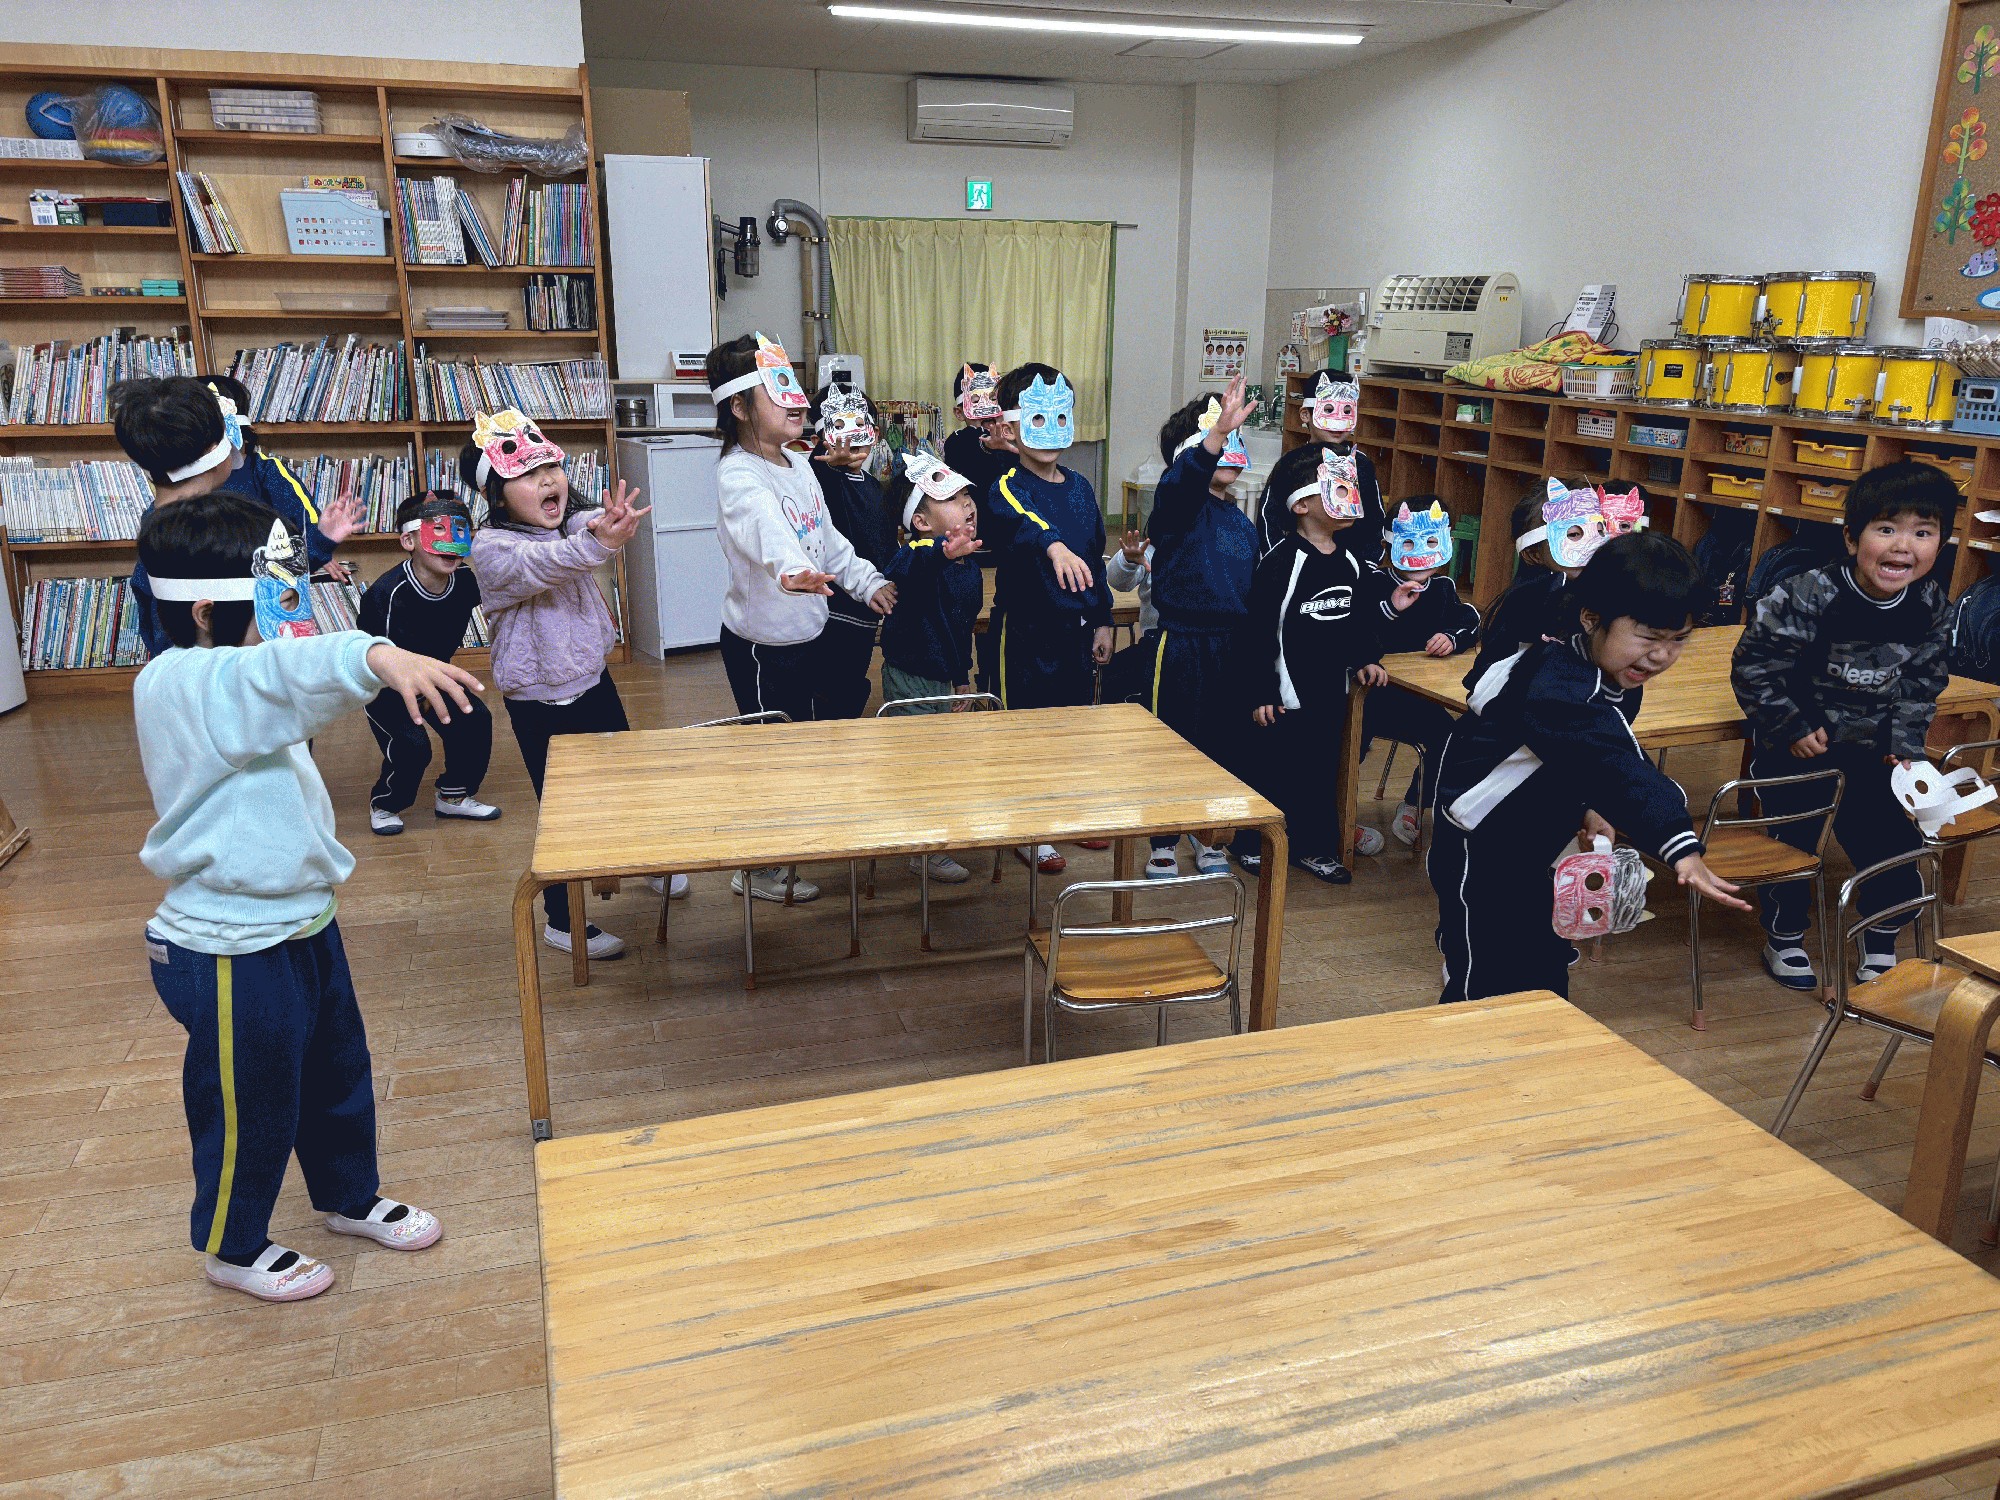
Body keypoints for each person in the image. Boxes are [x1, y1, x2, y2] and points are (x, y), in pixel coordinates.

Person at [134, 491, 470, 1301]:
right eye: (277, 597)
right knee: (248, 1101)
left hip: (302, 917)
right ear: (208, 612)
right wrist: (377, 654)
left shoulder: (233, 678)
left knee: (336, 1071)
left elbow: (284, 674)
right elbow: (282, 672)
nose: (291, 617)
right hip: (226, 943)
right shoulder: (183, 680)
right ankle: (233, 1244)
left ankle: (349, 1195)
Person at [1430, 532, 1748, 1004]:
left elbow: (1578, 756)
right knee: (1487, 986)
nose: (1662, 655)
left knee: (1544, 973)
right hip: (1482, 845)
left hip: (1532, 836)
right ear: (1592, 618)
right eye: (1649, 637)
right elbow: (1617, 763)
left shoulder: (1609, 671)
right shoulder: (1559, 687)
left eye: (1678, 640)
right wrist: (1679, 845)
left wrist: (1592, 805)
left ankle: (1532, 1042)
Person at [1731, 461, 1956, 990]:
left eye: (1922, 533)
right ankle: (1784, 936)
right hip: (1798, 747)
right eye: (1887, 529)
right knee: (1791, 848)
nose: (1903, 546)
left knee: (1893, 849)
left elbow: (1923, 681)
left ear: (1941, 543)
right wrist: (1791, 724)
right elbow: (1754, 665)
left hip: (1876, 754)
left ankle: (1881, 937)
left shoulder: (1929, 605)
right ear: (1853, 538)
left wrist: (1905, 742)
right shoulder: (1806, 594)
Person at [466, 408, 661, 958]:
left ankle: (648, 860)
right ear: (497, 495)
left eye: (551, 467)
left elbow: (581, 526)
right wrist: (600, 541)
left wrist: (604, 524)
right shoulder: (491, 548)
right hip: (538, 701)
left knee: (628, 781)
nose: (548, 479)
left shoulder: (566, 523)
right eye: (528, 474)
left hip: (592, 681)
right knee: (562, 814)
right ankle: (562, 920)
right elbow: (547, 563)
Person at [709, 332, 896, 901]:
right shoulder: (738, 474)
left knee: (802, 744)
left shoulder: (797, 462)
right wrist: (790, 569)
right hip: (762, 646)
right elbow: (765, 525)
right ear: (740, 407)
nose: (795, 398)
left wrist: (865, 581)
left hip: (809, 631)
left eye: (791, 382)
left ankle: (792, 840)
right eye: (775, 389)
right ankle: (754, 868)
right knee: (770, 754)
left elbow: (828, 539)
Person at [1236, 441, 1402, 885]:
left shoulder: (1350, 562)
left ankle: (1312, 847)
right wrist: (1262, 690)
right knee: (1272, 770)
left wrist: (1365, 658)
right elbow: (1259, 630)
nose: (1350, 499)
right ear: (1302, 504)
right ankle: (1252, 842)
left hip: (1330, 692)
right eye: (1338, 491)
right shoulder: (1281, 563)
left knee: (1320, 772)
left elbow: (1358, 619)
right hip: (1285, 694)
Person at [111, 375, 366, 656]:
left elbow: (150, 611)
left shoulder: (155, 527)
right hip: (240, 666)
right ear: (216, 449)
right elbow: (276, 579)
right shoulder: (222, 524)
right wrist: (319, 543)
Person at [1132, 378, 1261, 879]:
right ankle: (1163, 839)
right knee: (1172, 743)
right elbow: (1178, 488)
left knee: (1222, 743)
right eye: (1217, 438)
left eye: (1233, 438)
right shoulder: (1176, 510)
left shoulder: (1243, 525)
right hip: (1181, 643)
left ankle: (1209, 834)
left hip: (1231, 645)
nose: (1228, 447)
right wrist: (1215, 436)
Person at [988, 362, 1113, 874]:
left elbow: (1095, 556)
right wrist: (1052, 544)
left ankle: (1068, 813)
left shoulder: (1081, 488)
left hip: (1075, 635)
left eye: (1060, 417)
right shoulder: (1006, 485)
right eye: (1038, 419)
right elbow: (1019, 519)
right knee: (1025, 732)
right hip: (1023, 633)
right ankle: (1029, 826)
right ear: (1011, 428)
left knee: (1072, 729)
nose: (1051, 430)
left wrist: (1102, 618)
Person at [358, 491, 500, 835]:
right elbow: (377, 658)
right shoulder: (387, 594)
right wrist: (413, 694)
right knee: (412, 746)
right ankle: (386, 803)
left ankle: (453, 795)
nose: (451, 542)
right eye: (438, 530)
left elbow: (501, 598)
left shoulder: (465, 581)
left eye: (459, 530)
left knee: (474, 721)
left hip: (435, 676)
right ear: (409, 540)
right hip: (384, 685)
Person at [880, 450, 987, 883]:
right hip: (910, 676)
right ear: (922, 522)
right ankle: (921, 847)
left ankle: (935, 838)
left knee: (944, 761)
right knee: (919, 763)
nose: (967, 504)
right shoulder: (919, 554)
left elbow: (959, 629)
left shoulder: (968, 567)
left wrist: (962, 679)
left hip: (945, 677)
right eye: (952, 499)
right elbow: (905, 567)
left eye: (967, 496)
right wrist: (942, 554)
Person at [1362, 497, 1480, 846]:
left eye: (1430, 542)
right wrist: (1390, 609)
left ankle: (1415, 802)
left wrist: (1451, 636)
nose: (1420, 554)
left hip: (1417, 699)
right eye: (1410, 543)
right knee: (1349, 745)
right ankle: (1336, 818)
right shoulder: (1372, 582)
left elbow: (1471, 619)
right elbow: (1359, 630)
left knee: (1451, 737)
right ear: (1388, 544)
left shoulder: (1442, 589)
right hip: (1369, 696)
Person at [1463, 477, 1621, 685]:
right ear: (1534, 554)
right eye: (1574, 534)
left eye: (1599, 532)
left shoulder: (1594, 590)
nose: (1592, 546)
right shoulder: (1532, 596)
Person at [809, 380, 898, 720]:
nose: (850, 439)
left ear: (874, 433)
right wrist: (828, 465)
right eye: (838, 427)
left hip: (866, 610)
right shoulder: (818, 479)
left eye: (859, 425)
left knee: (851, 688)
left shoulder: (876, 488)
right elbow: (820, 481)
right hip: (832, 612)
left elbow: (884, 541)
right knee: (827, 693)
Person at [1261, 371, 1382, 553]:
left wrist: (1366, 564)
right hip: (1298, 561)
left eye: (1347, 411)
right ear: (1305, 414)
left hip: (1351, 563)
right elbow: (1269, 518)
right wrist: (1277, 561)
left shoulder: (1361, 464)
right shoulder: (1292, 463)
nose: (1338, 421)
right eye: (1328, 410)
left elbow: (1374, 520)